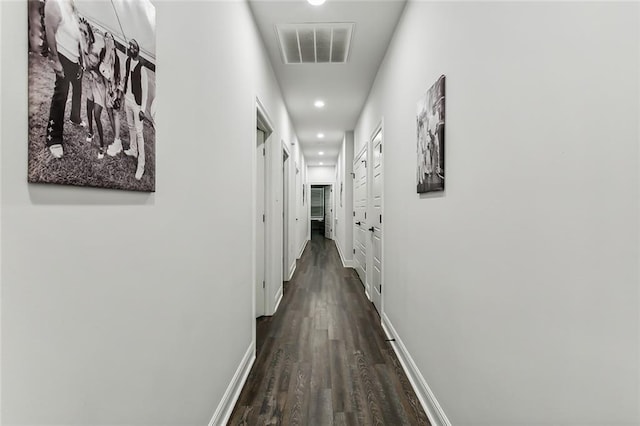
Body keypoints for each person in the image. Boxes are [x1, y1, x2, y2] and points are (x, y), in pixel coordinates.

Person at [43, 0, 85, 158]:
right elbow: (50, 31)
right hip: (63, 56)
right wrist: (55, 59)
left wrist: (81, 61)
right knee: (61, 95)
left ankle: (75, 117)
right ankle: (53, 138)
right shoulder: (55, 3)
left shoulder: (72, 6)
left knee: (78, 90)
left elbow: (78, 37)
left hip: (74, 60)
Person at [122, 39, 148, 180]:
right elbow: (126, 77)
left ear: (138, 50)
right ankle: (133, 150)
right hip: (128, 99)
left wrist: (143, 109)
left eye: (134, 46)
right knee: (131, 126)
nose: (131, 48)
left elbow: (145, 90)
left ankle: (141, 165)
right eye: (130, 46)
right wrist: (122, 91)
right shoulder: (127, 61)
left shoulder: (142, 68)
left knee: (139, 133)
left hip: (137, 105)